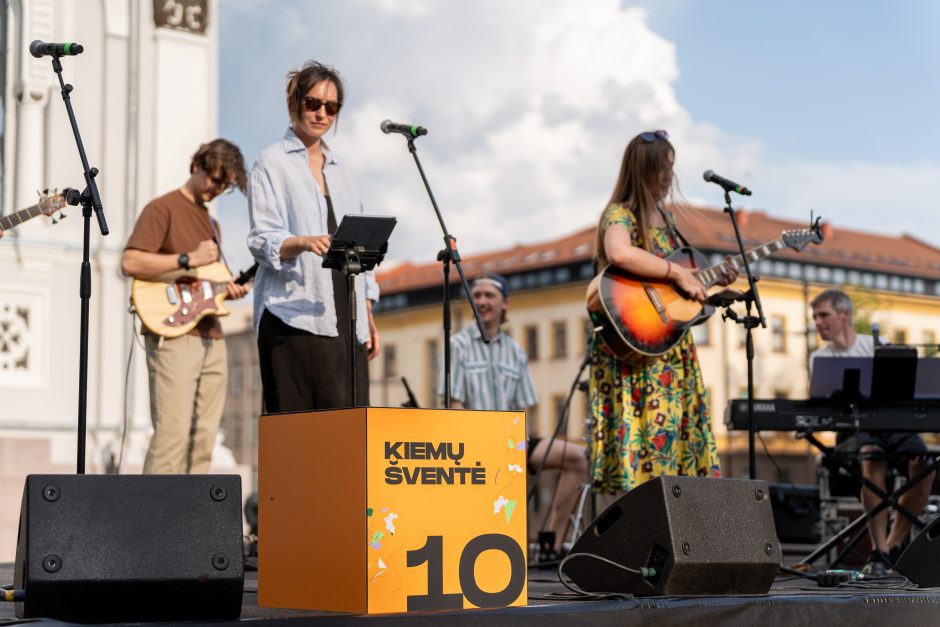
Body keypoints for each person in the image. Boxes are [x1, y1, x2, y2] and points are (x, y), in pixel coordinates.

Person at [586, 129, 737, 494]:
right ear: (642, 171)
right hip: (636, 350)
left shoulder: (668, 221)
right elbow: (620, 253)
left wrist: (711, 284)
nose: (670, 177)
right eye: (661, 169)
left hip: (671, 351)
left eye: (672, 167)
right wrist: (677, 272)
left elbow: (673, 294)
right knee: (640, 462)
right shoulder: (619, 215)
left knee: (677, 461)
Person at [248, 60, 380, 413]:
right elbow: (262, 239)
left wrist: (367, 314)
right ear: (294, 103)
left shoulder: (343, 170)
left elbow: (363, 252)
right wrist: (303, 242)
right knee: (298, 430)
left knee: (349, 426)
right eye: (313, 103)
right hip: (293, 313)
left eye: (331, 107)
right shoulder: (270, 162)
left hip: (345, 310)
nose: (322, 113)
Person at [122, 138, 249, 474]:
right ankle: (151, 524)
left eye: (226, 185)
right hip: (174, 337)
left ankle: (192, 524)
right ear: (197, 166)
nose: (218, 188)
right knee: (171, 437)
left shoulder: (213, 225)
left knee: (204, 440)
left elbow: (204, 284)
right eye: (215, 178)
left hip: (213, 337)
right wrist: (187, 258)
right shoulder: (162, 208)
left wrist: (229, 290)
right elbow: (130, 262)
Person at [444, 272, 589, 557]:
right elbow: (454, 404)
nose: (482, 301)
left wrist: (514, 445)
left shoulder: (516, 351)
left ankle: (553, 543)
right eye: (477, 296)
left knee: (577, 458)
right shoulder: (457, 345)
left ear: (504, 303)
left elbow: (523, 406)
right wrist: (479, 442)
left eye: (489, 295)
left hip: (513, 441)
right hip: (476, 444)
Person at [810, 288, 934, 575]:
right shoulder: (820, 357)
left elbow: (905, 391)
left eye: (823, 315)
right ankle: (879, 550)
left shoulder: (877, 344)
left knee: (924, 463)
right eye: (815, 317)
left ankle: (893, 544)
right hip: (854, 428)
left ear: (845, 315)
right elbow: (821, 404)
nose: (817, 322)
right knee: (871, 455)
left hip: (890, 425)